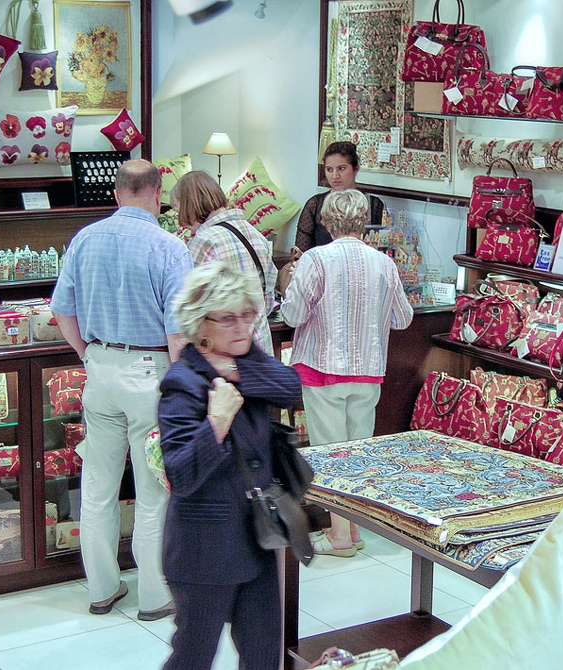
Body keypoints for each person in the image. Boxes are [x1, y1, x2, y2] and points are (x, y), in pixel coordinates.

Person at [51, 158, 192, 621]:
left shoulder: (84, 239)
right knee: (153, 490)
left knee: (97, 487)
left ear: (116, 194)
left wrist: (87, 354)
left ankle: (102, 590)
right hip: (150, 371)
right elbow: (178, 331)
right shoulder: (170, 247)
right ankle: (154, 596)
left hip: (100, 368)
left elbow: (62, 309)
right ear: (157, 194)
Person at [158, 262, 301, 670]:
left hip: (257, 537)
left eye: (247, 314)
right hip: (204, 550)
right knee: (193, 656)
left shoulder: (246, 357)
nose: (242, 327)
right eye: (228, 318)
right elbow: (181, 474)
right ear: (201, 324)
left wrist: (236, 373)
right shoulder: (182, 383)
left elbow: (290, 386)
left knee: (263, 652)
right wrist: (216, 422)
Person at [281, 189, 413, 557]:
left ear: (326, 220)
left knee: (330, 454)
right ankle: (352, 529)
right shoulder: (384, 263)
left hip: (322, 368)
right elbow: (403, 318)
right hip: (369, 369)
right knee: (357, 455)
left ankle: (340, 535)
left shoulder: (315, 259)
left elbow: (292, 315)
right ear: (364, 221)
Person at [170, 170, 277, 354]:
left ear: (188, 205)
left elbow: (192, 307)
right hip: (260, 345)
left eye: (178, 210)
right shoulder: (254, 233)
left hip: (224, 350)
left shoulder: (204, 242)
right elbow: (268, 298)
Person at [294, 141, 387, 252]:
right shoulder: (315, 205)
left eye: (341, 168)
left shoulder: (374, 205)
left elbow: (383, 247)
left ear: (356, 169)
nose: (335, 176)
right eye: (329, 169)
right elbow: (300, 253)